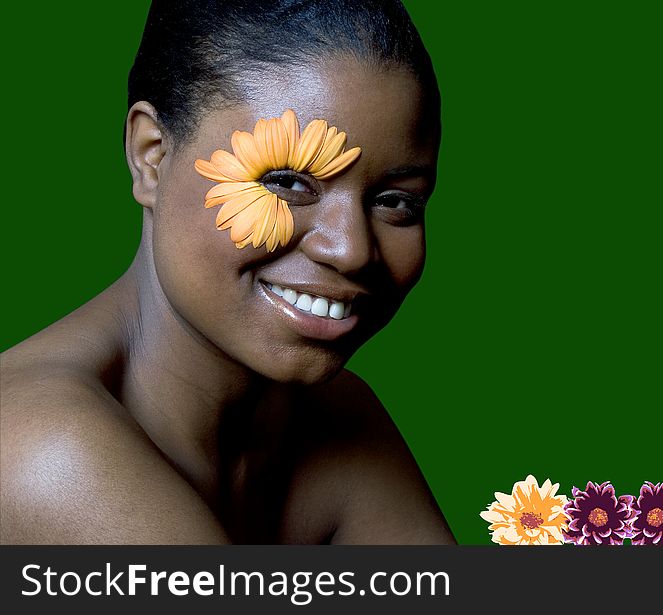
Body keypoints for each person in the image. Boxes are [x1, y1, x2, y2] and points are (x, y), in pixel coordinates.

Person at [0, 0, 455, 545]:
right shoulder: (39, 445)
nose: (352, 249)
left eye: (396, 202)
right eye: (287, 182)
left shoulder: (338, 418)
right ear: (151, 156)